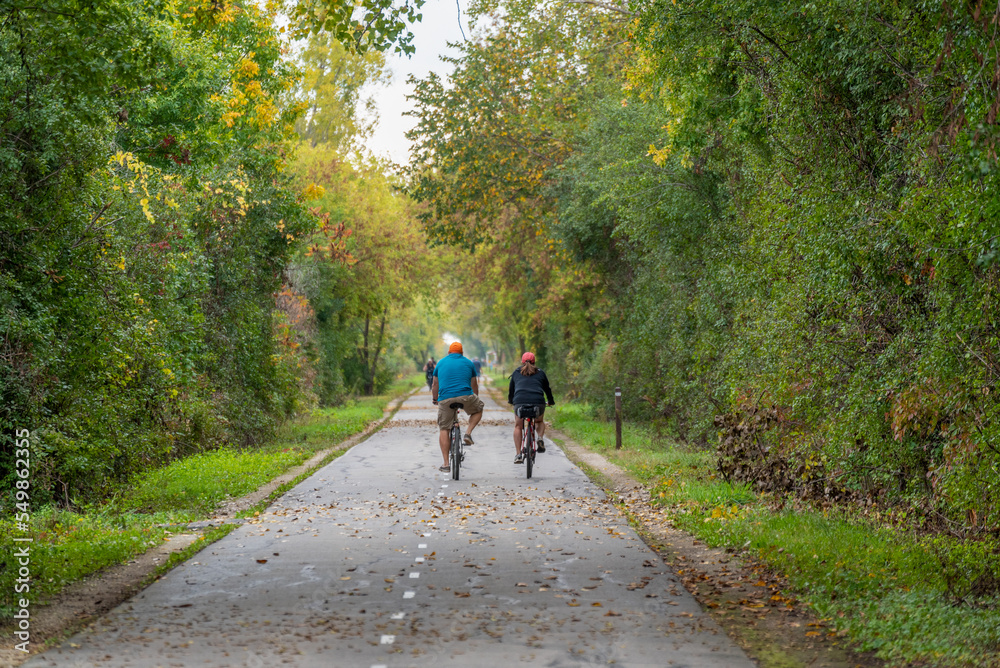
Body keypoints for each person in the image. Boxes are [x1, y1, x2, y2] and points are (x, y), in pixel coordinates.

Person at [431, 342, 484, 472]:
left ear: (449, 353)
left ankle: (445, 464)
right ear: (461, 353)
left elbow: (435, 384)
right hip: (465, 396)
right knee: (478, 409)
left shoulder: (440, 363)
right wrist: (475, 398)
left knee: (444, 428)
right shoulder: (468, 363)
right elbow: (474, 384)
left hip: (445, 398)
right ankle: (468, 433)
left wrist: (434, 399)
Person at [507, 352, 555, 464]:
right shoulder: (541, 373)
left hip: (520, 402)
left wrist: (511, 401)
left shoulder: (516, 372)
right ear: (534, 362)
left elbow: (511, 390)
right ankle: (540, 438)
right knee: (539, 421)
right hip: (537, 402)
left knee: (518, 426)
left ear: (522, 362)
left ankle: (518, 454)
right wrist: (551, 401)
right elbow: (547, 389)